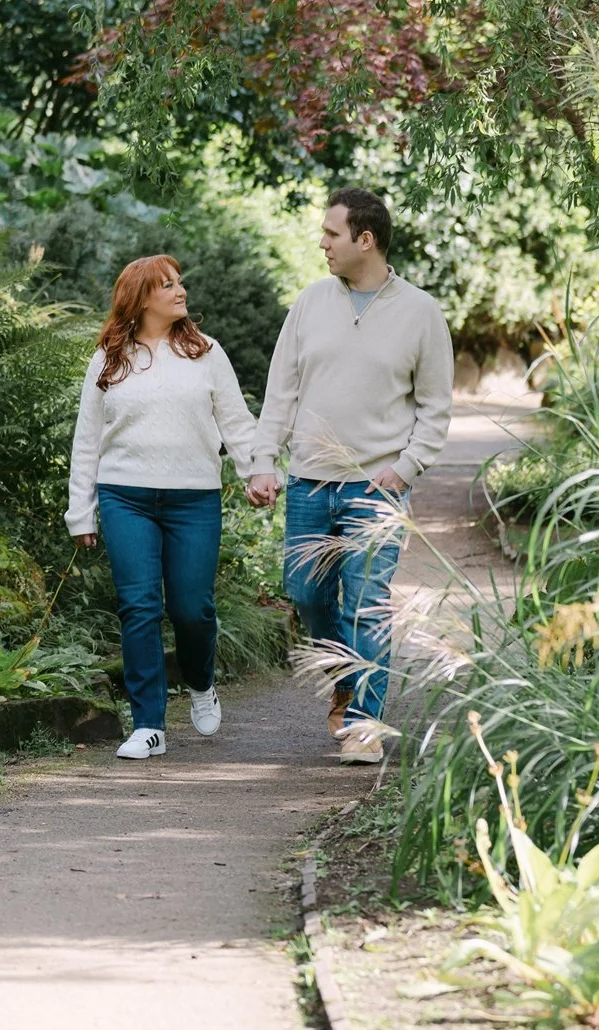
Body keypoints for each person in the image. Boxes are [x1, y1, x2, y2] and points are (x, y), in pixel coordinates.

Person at [246, 188, 453, 764]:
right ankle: (344, 673)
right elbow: (280, 392)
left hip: (377, 485)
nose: (322, 243)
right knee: (307, 594)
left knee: (367, 602)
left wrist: (406, 468)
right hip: (311, 481)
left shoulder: (420, 312)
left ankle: (365, 724)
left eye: (331, 234)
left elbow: (435, 406)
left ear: (366, 239)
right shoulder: (311, 303)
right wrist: (264, 460)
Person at [67, 255, 257, 760]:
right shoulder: (109, 358)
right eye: (167, 285)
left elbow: (236, 422)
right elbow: (88, 440)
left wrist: (257, 470)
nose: (180, 290)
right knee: (139, 607)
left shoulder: (206, 352)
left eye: (179, 282)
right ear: (141, 298)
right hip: (124, 495)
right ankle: (148, 724)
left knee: (192, 609)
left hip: (193, 497)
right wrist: (80, 512)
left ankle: (200, 682)